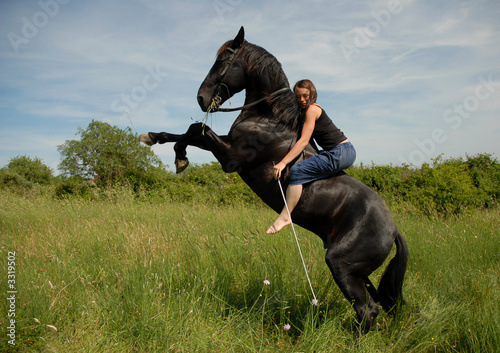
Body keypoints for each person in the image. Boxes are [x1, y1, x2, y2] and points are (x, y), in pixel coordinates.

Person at [266, 79, 356, 234]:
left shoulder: (312, 110)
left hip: (341, 152)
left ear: (312, 94)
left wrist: (282, 163)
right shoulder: (305, 111)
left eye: (305, 96)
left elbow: (304, 141)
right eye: (298, 96)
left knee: (298, 170)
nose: (302, 99)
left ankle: (286, 216)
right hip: (341, 151)